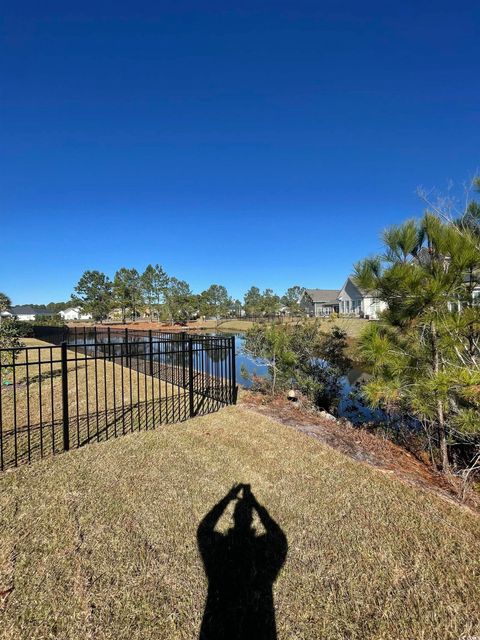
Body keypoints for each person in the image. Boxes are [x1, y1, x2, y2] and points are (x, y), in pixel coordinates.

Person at [197, 484, 288, 640]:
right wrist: (257, 506)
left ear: (232, 518)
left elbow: (203, 530)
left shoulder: (221, 547)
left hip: (219, 623)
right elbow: (279, 538)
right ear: (252, 519)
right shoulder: (260, 547)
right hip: (259, 624)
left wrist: (227, 499)